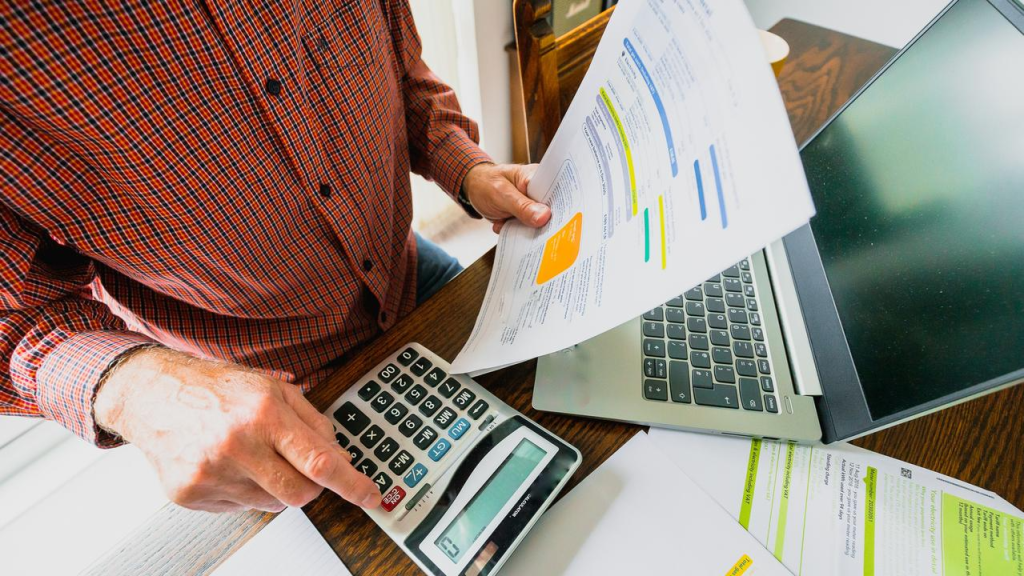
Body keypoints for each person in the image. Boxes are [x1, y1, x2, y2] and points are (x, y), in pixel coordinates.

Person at [0, 2, 551, 514]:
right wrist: (136, 389)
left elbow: (403, 73)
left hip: (418, 277)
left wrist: (466, 167)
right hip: (268, 399)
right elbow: (17, 317)